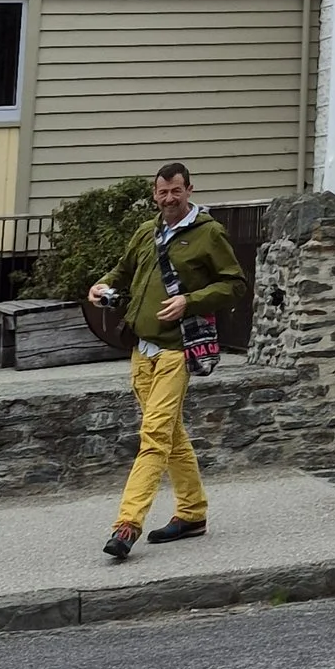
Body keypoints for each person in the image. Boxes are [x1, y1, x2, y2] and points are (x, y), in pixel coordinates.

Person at [88, 161, 243, 564]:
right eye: (162, 192)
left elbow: (234, 284)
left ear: (189, 189)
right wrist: (103, 285)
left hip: (177, 350)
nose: (169, 199)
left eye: (176, 191)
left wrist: (190, 301)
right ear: (154, 193)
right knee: (171, 434)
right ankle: (192, 514)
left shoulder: (209, 233)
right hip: (142, 349)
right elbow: (122, 271)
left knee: (154, 436)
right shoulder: (147, 231)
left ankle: (127, 524)